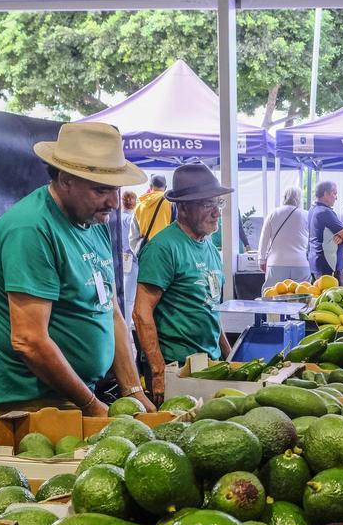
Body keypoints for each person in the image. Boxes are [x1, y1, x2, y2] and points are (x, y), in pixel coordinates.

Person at [0, 122, 152, 417]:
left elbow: (109, 311)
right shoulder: (31, 228)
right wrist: (91, 406)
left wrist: (135, 393)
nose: (113, 202)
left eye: (116, 189)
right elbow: (29, 340)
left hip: (82, 397)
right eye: (101, 189)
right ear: (65, 179)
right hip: (36, 406)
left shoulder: (93, 220)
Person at [134, 163, 233, 405]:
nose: (216, 212)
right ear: (184, 208)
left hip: (209, 364)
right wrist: (158, 371)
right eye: (207, 204)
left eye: (218, 203)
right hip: (175, 368)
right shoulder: (163, 248)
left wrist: (228, 354)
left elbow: (209, 307)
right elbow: (141, 313)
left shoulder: (208, 245)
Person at [257, 186, 310, 287]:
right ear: (300, 198)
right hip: (301, 263)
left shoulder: (273, 213)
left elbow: (264, 238)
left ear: (284, 197)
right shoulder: (306, 215)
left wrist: (262, 259)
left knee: (272, 296)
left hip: (276, 262)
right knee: (301, 297)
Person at [310, 181, 343, 279]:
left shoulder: (312, 209)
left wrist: (340, 236)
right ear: (325, 193)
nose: (336, 197)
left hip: (316, 262)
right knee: (334, 294)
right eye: (334, 193)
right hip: (329, 265)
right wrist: (342, 236)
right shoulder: (325, 212)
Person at [133, 174, 171, 248]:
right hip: (166, 249)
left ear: (150, 187)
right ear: (165, 187)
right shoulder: (171, 203)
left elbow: (133, 235)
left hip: (146, 249)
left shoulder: (139, 204)